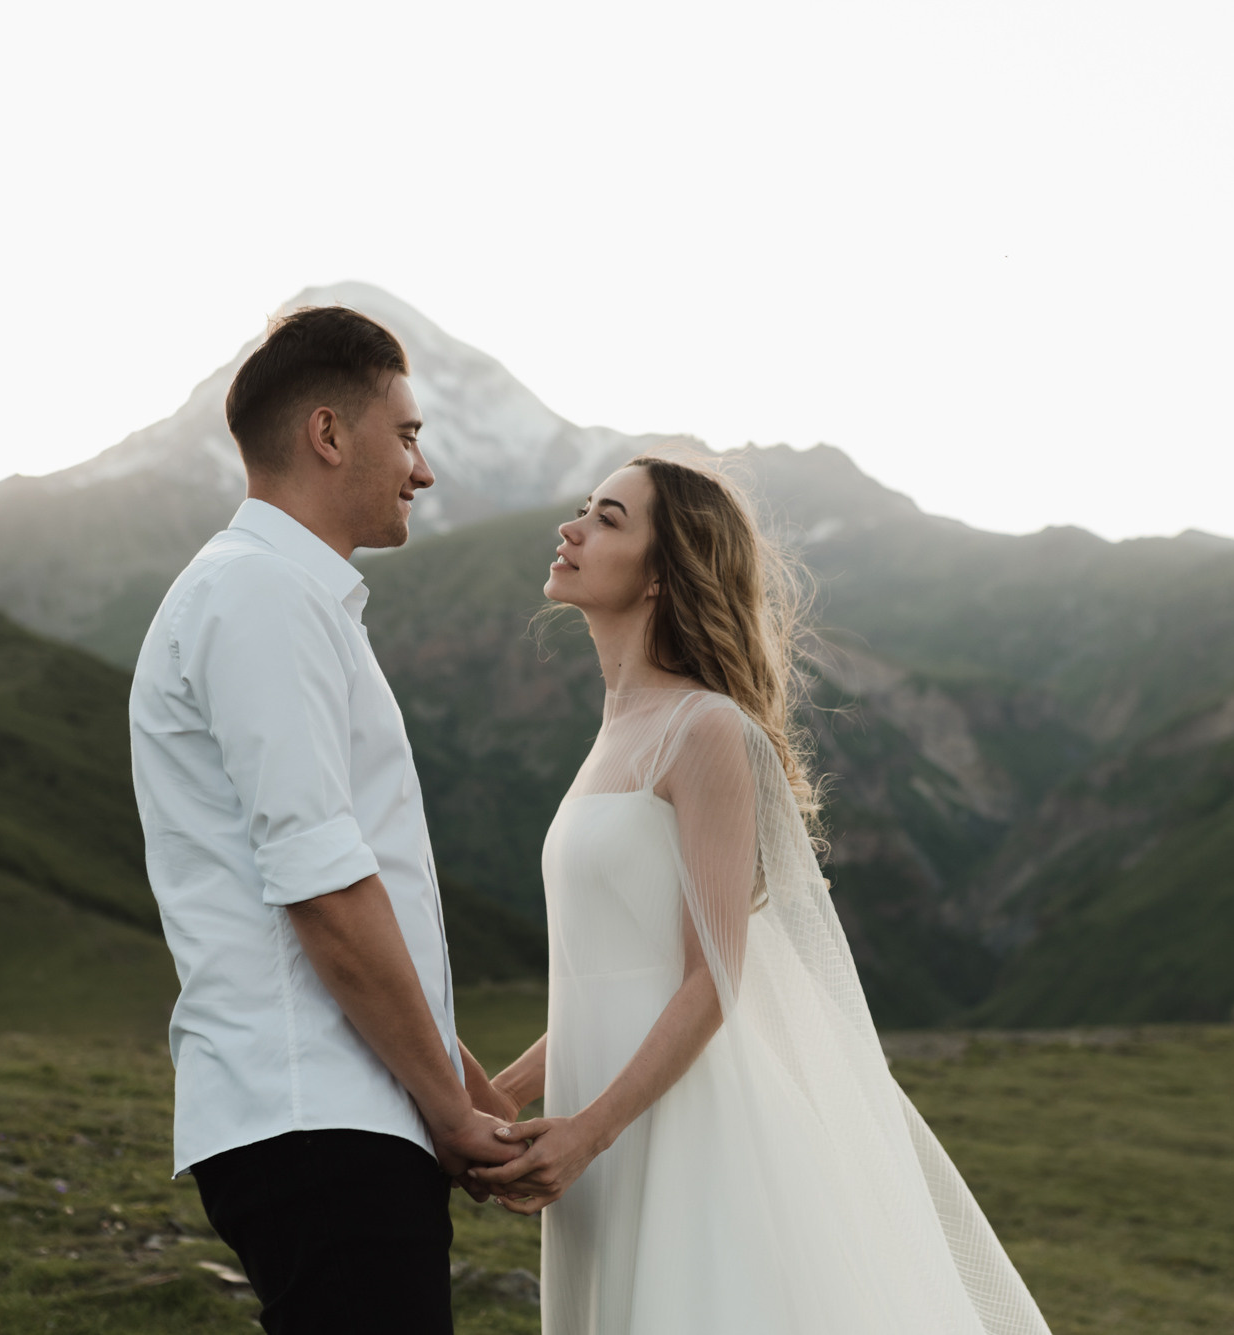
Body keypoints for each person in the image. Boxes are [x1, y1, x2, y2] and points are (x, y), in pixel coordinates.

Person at [469, 456, 1052, 1334]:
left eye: (610, 518)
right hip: (602, 1122)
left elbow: (713, 976)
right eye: (584, 509)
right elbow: (622, 968)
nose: (574, 527)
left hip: (677, 1127)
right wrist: (507, 1093)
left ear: (663, 573)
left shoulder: (706, 729)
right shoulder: (615, 730)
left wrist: (589, 1129)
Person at [128, 305, 519, 1335]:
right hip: (317, 1113)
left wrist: (464, 1089)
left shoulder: (275, 595)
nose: (421, 471)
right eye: (409, 434)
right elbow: (323, 888)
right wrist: (443, 1109)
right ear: (328, 434)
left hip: (333, 1113)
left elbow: (363, 885)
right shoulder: (258, 595)